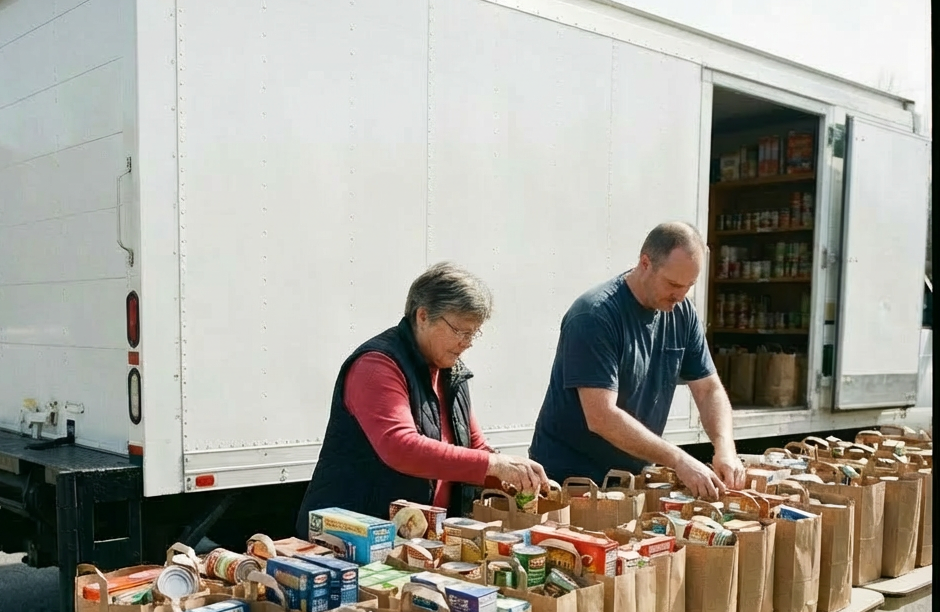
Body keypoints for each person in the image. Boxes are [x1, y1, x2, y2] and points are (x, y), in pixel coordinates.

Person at [296, 262, 551, 535]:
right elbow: (400, 446)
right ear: (422, 316)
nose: (467, 342)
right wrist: (493, 465)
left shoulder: (451, 371)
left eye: (473, 332)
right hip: (350, 533)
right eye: (459, 330)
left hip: (412, 535)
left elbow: (474, 446)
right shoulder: (376, 365)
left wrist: (518, 475)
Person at [530, 222, 746, 498]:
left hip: (630, 480)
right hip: (571, 482)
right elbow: (601, 416)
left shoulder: (682, 313)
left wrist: (725, 447)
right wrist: (679, 459)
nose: (680, 296)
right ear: (645, 263)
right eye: (673, 284)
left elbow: (708, 390)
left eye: (689, 286)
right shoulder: (594, 315)